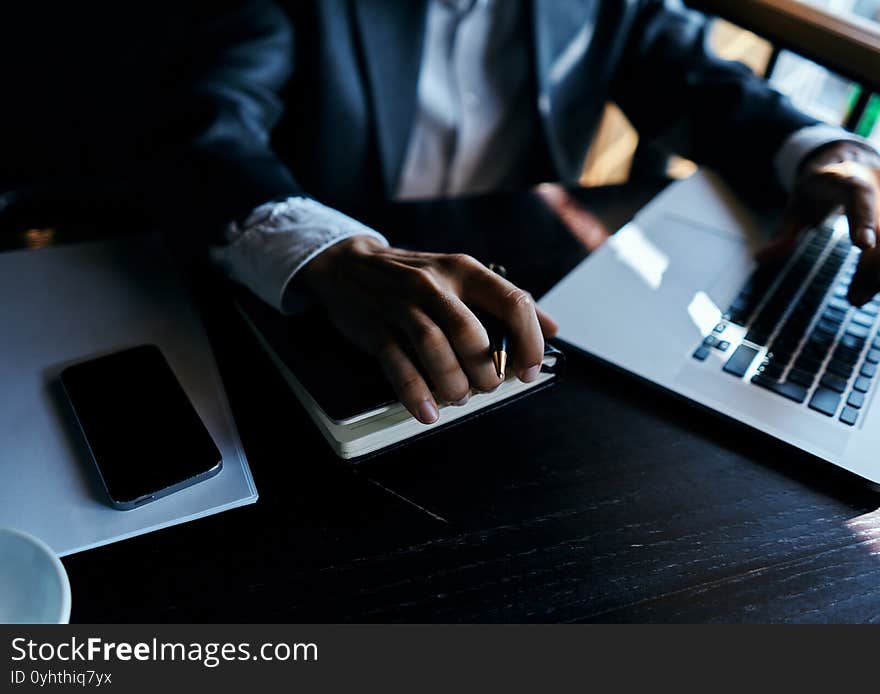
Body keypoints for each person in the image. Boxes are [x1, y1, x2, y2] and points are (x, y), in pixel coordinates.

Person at [68, 1, 880, 424]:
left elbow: (690, 75)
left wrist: (822, 152)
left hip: (545, 321)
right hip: (325, 317)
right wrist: (328, 252)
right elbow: (205, 126)